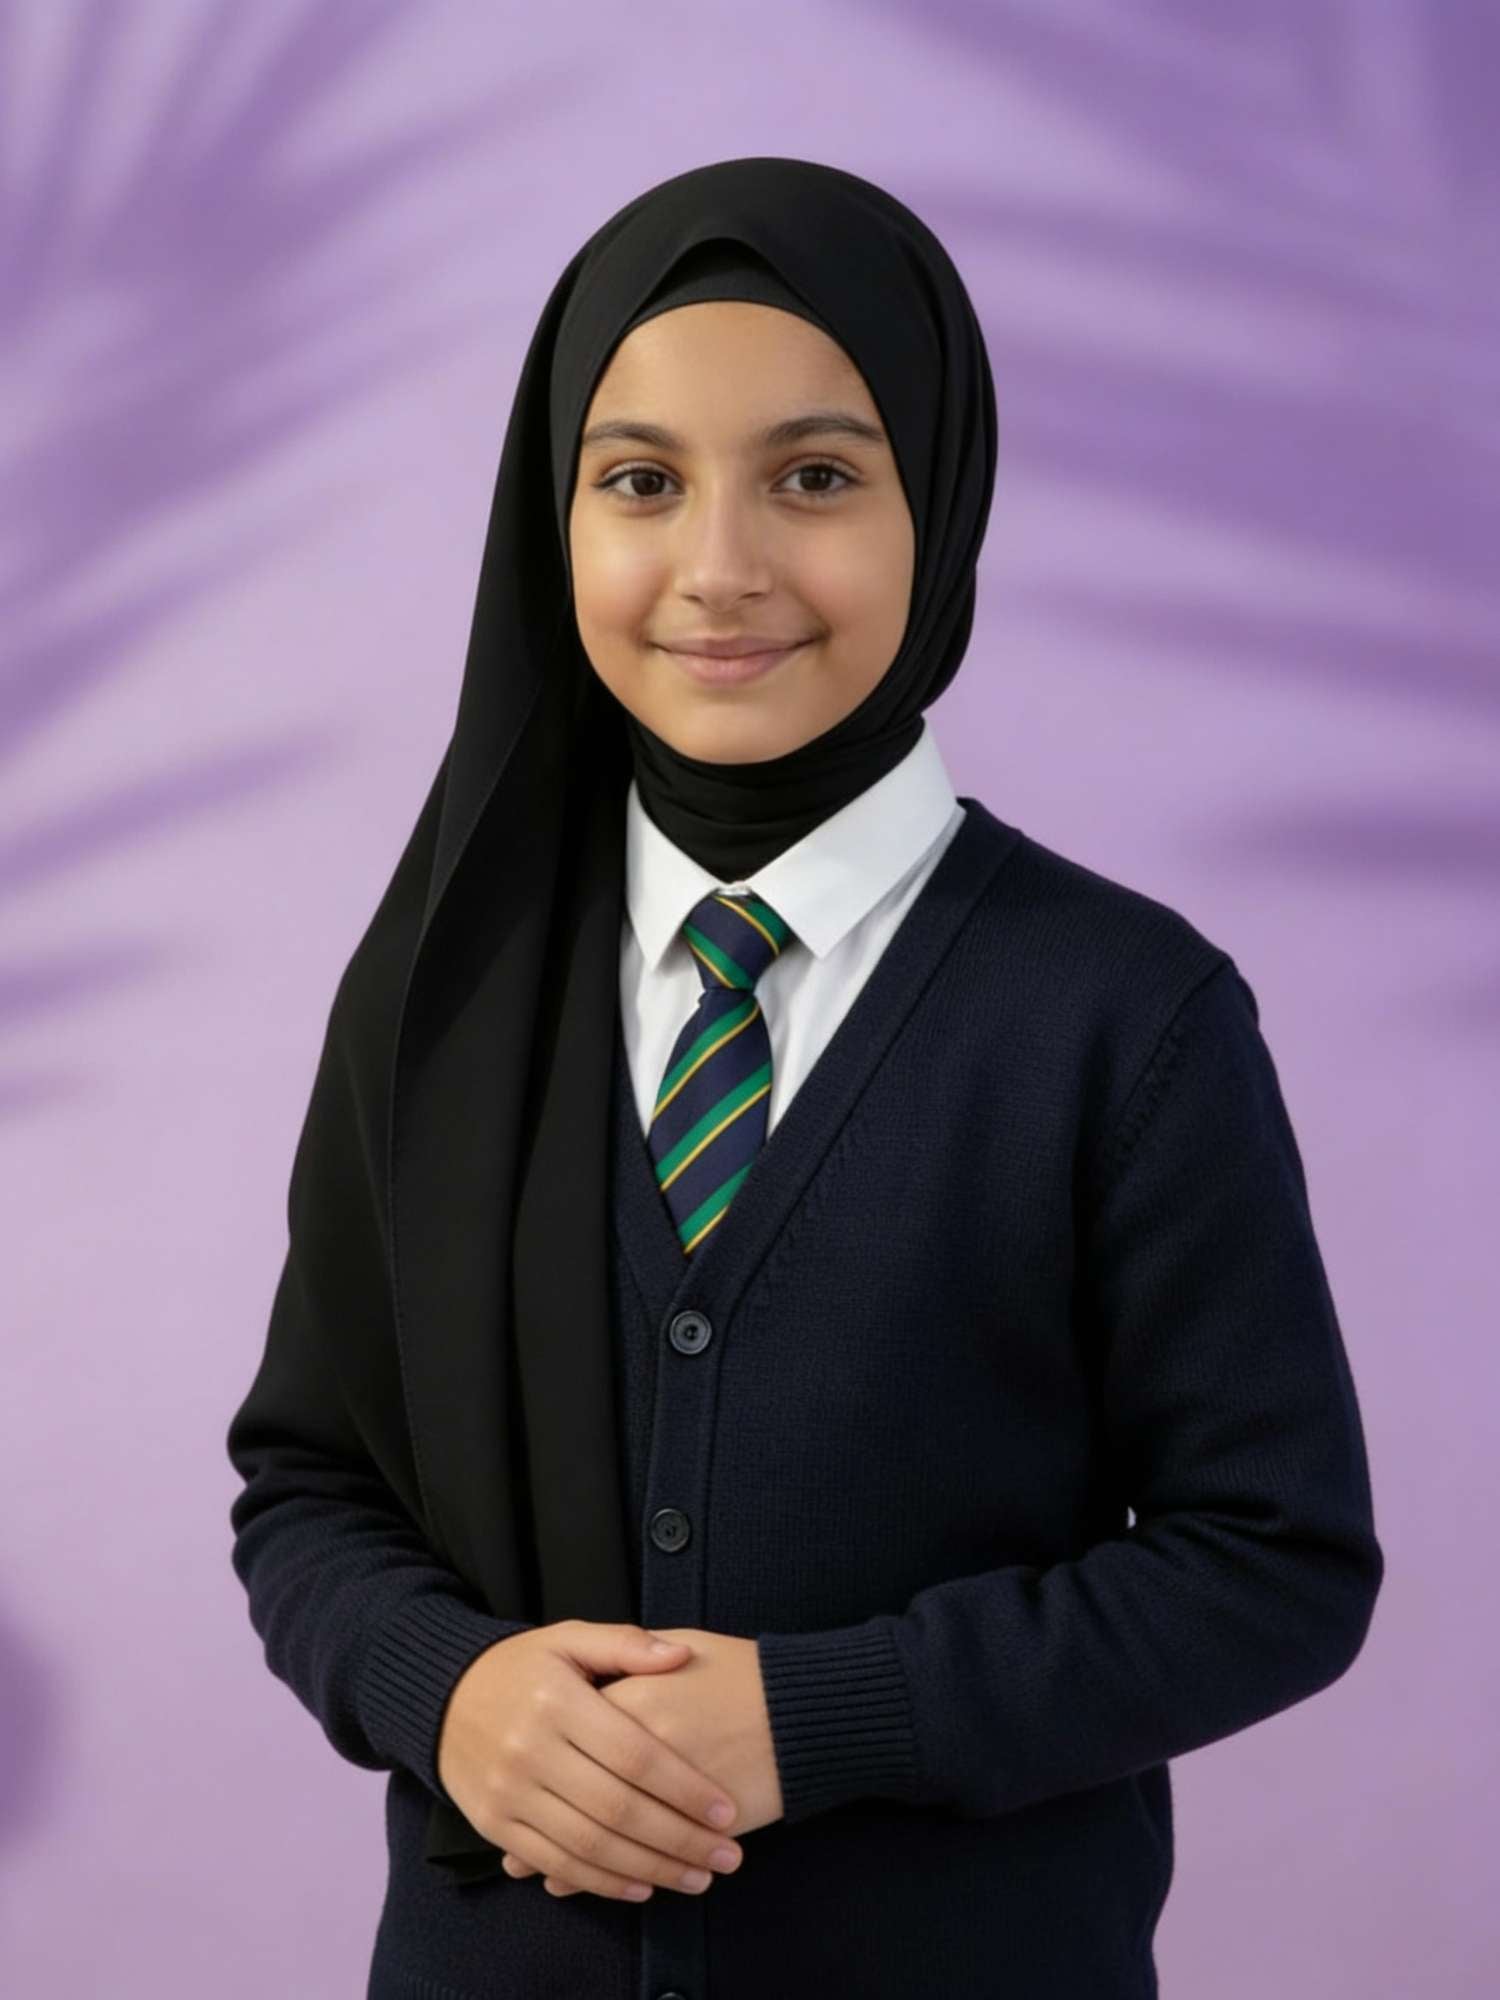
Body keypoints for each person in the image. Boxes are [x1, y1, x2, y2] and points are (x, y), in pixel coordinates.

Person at [225, 156, 1384, 2000]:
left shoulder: (1125, 1016)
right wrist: (443, 1688)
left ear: (945, 501)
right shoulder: (441, 989)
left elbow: (1276, 1563)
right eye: (640, 482)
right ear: (555, 519)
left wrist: (823, 1718)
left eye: (819, 478)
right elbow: (306, 1484)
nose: (721, 569)